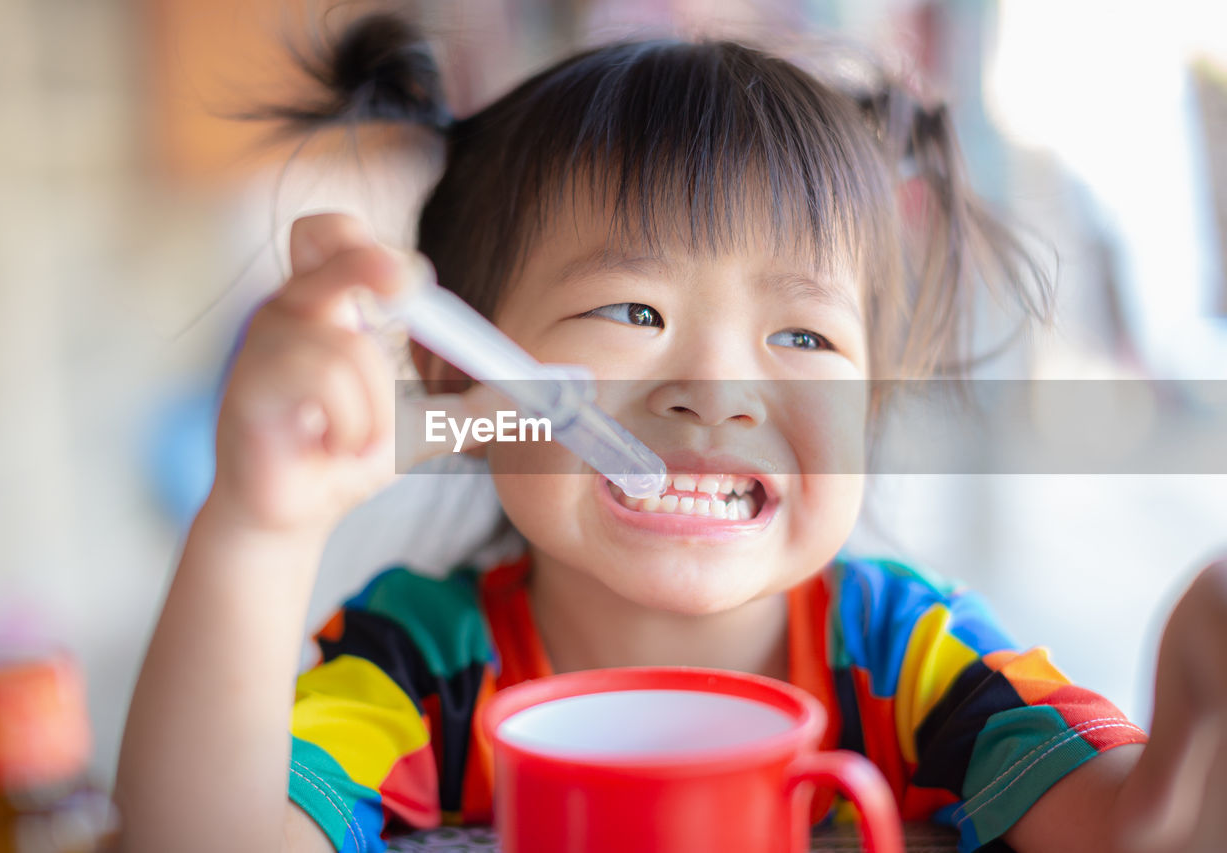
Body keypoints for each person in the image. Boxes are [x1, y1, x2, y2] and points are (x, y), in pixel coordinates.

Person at [114, 13, 1227, 853]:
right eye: (632, 312)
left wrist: (1196, 694)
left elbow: (1135, 826)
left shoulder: (910, 659)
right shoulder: (419, 669)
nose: (715, 391)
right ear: (458, 373)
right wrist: (258, 526)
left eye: (802, 335)